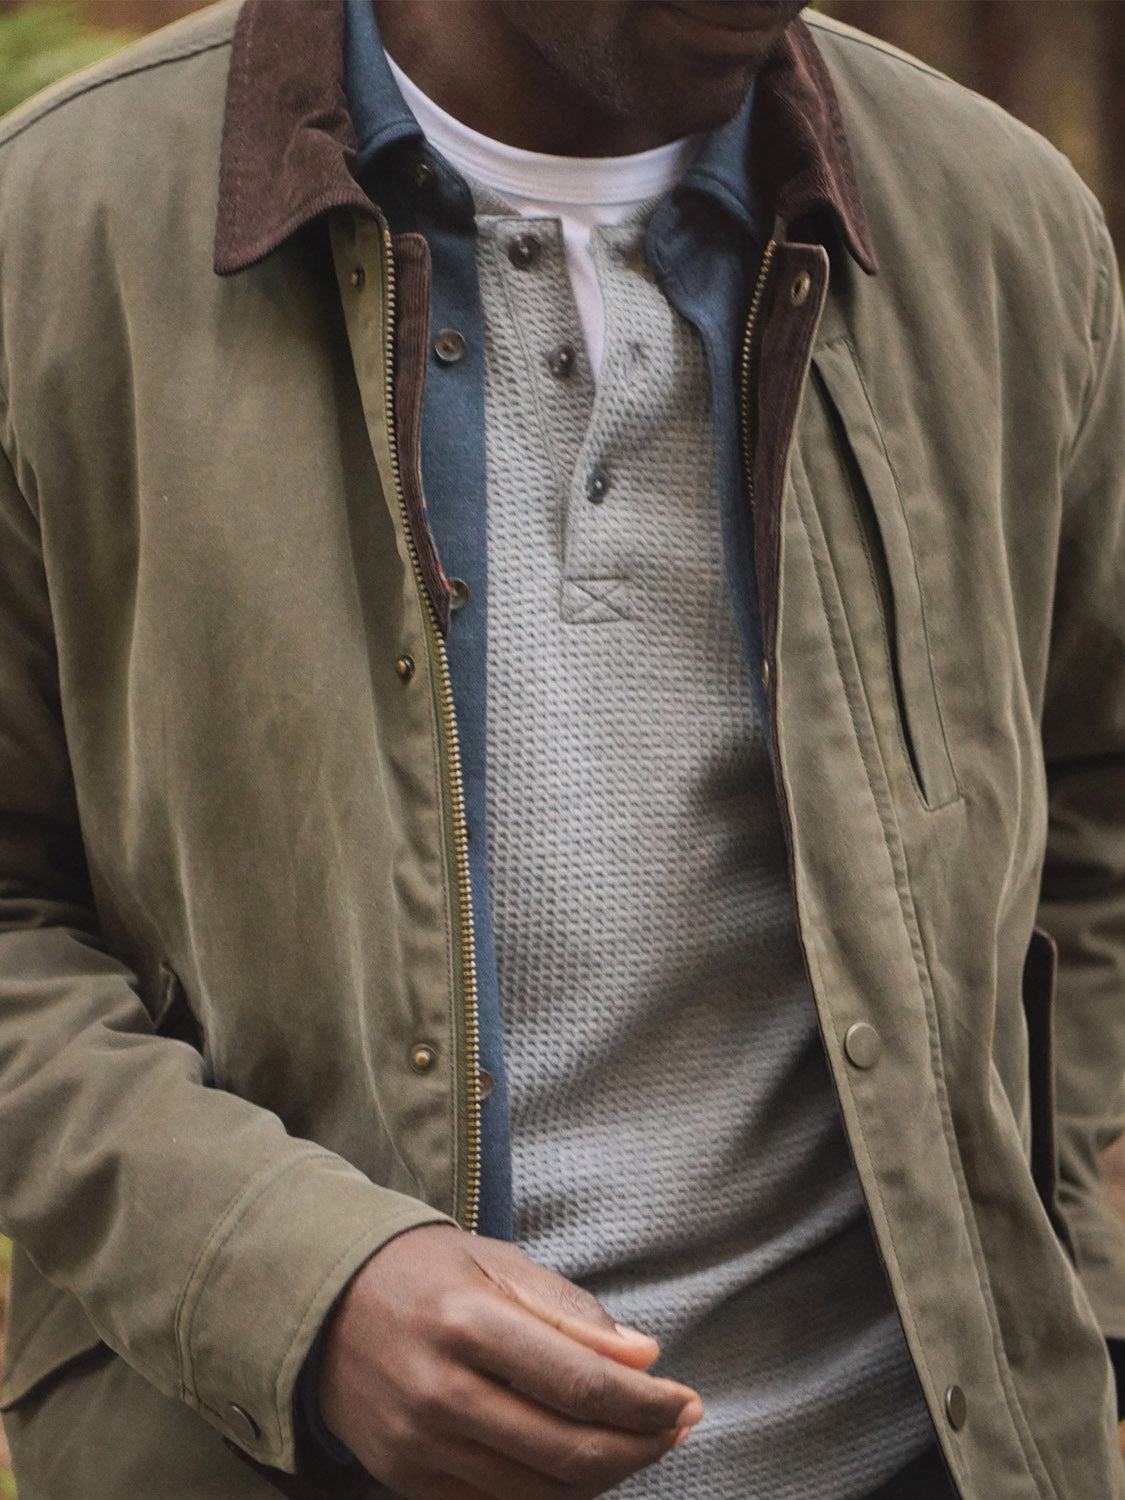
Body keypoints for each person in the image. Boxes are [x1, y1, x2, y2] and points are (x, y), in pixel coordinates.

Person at [0, 0, 1122, 1495]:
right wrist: (289, 1287)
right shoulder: (53, 240)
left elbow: (1093, 815)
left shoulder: (1002, 234)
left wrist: (1074, 1296)